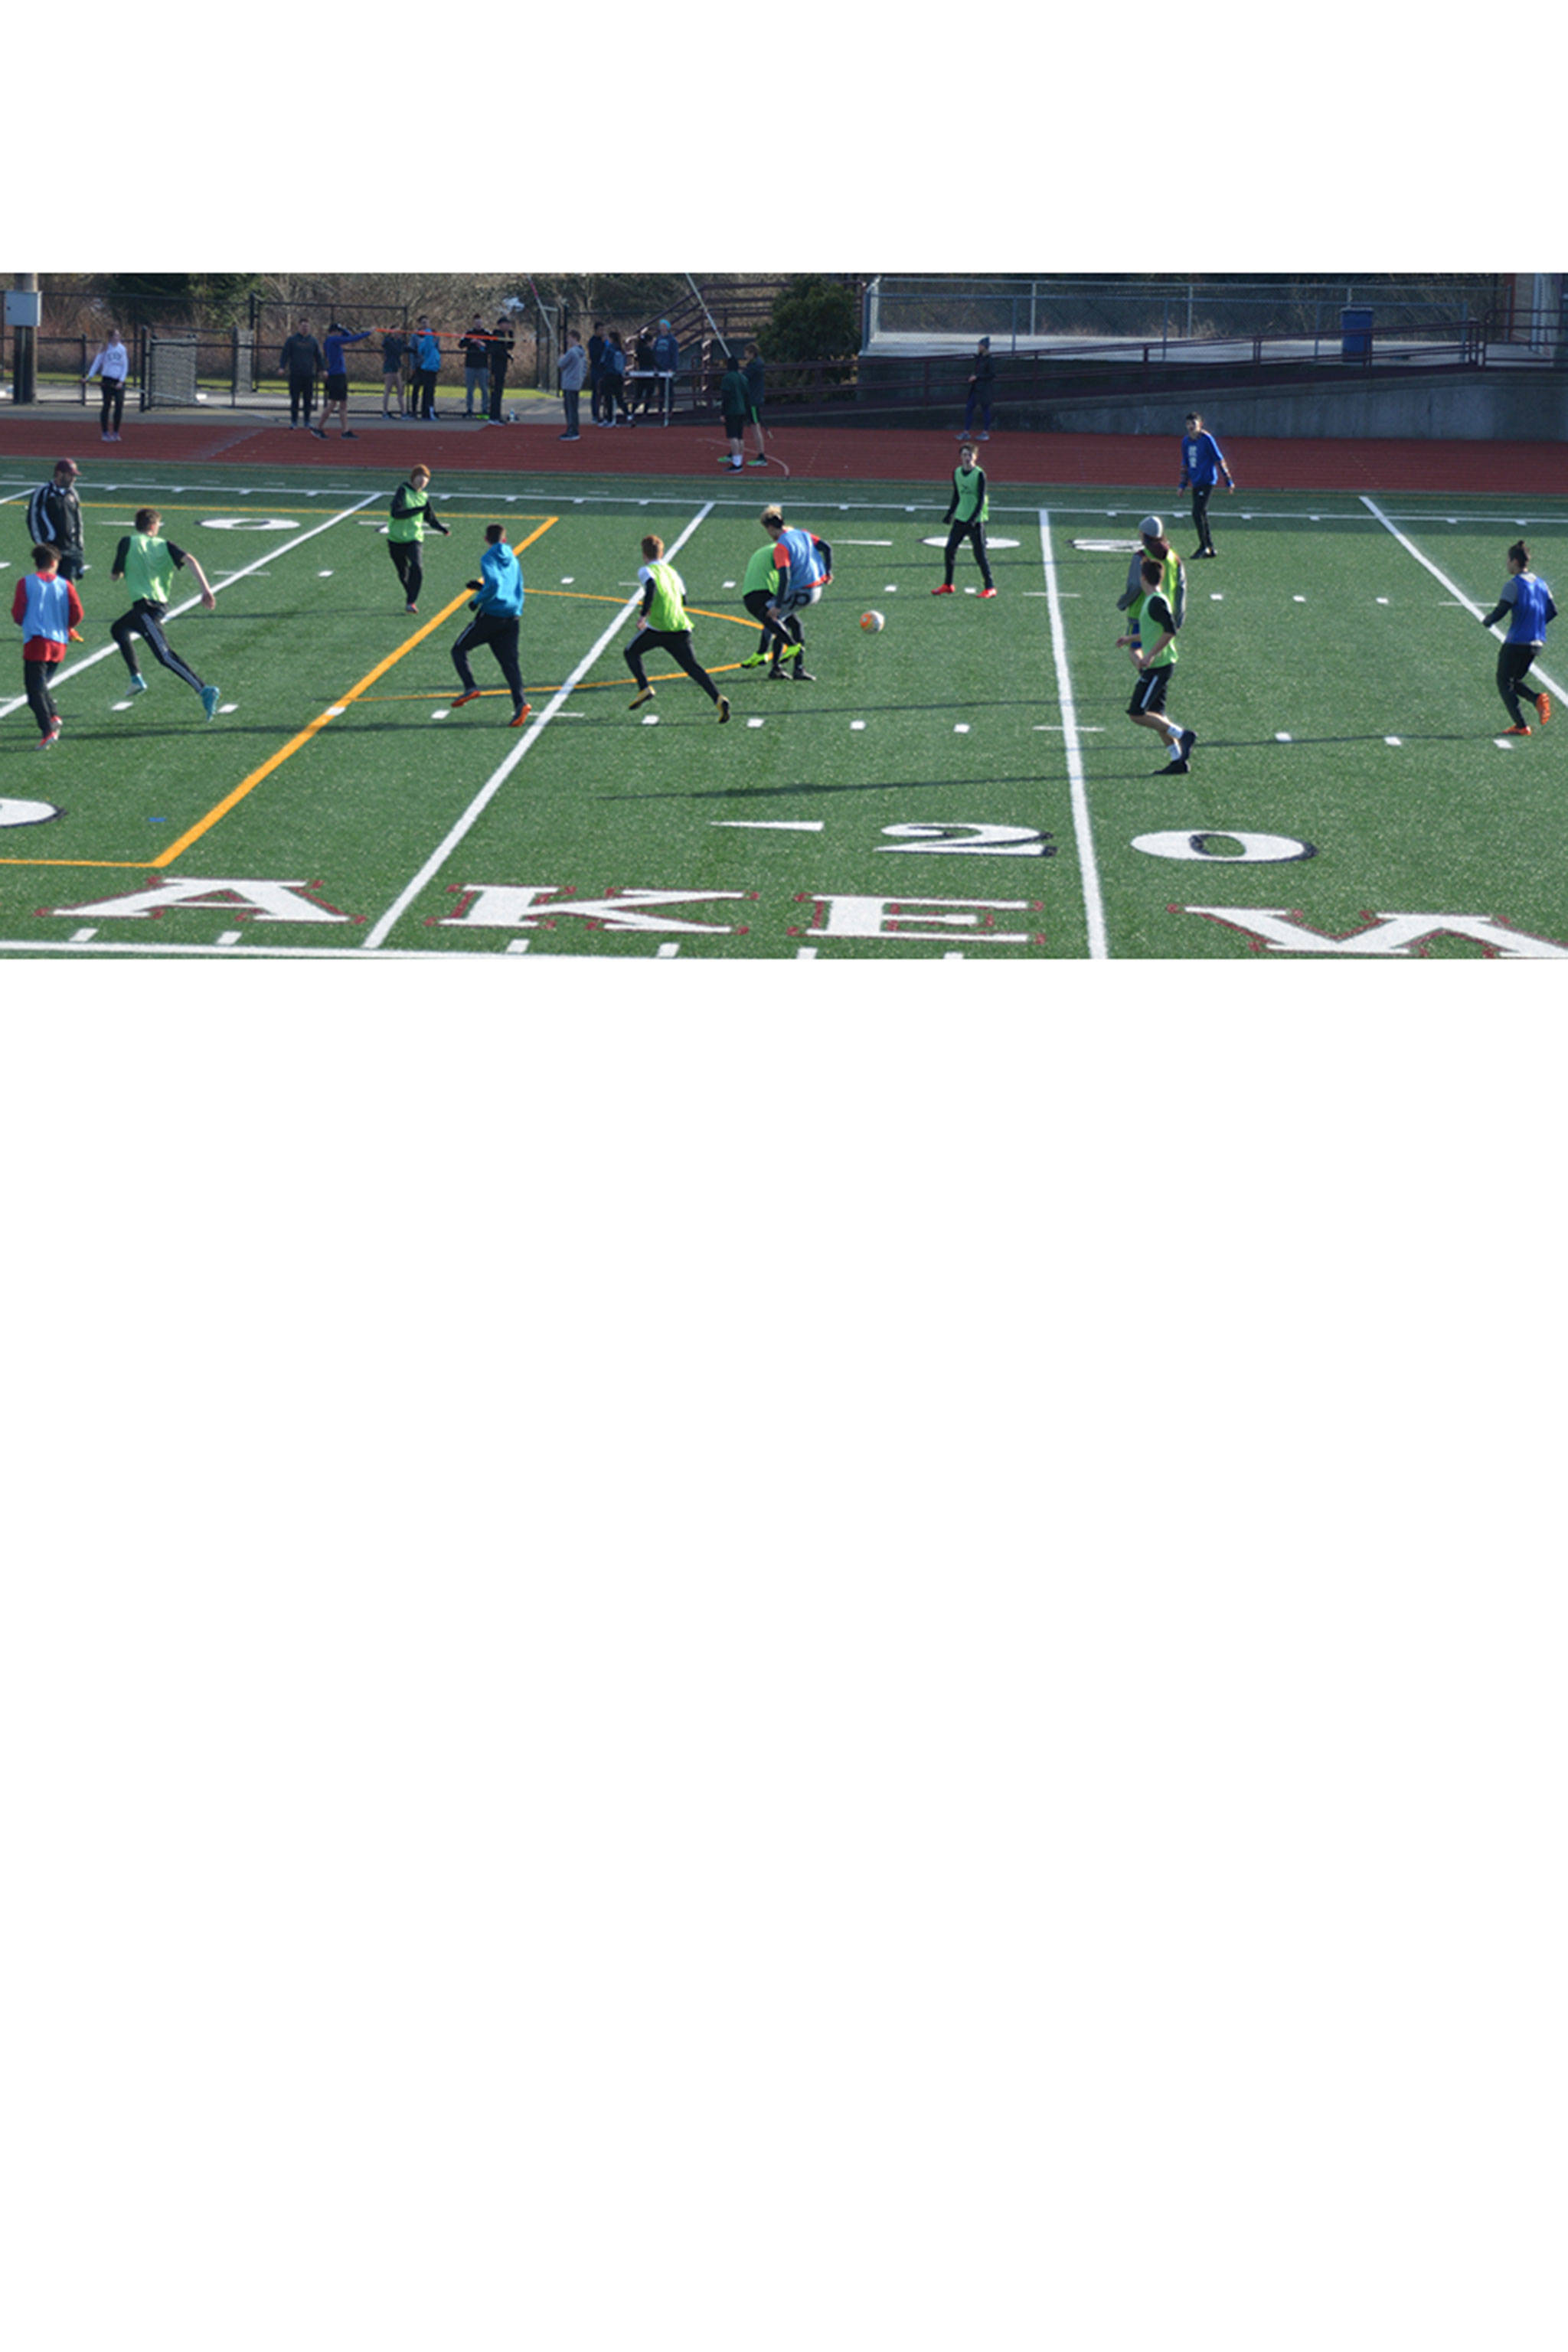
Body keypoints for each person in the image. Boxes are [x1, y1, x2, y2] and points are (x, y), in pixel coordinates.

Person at [108, 506, 221, 720]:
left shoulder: (127, 542)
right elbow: (191, 560)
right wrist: (206, 590)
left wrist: (126, 570)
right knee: (118, 628)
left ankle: (203, 689)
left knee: (165, 655)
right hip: (154, 606)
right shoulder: (165, 545)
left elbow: (115, 576)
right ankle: (136, 678)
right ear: (153, 526)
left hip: (146, 609)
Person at [624, 534, 730, 720]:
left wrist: (643, 615)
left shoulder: (646, 570)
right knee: (693, 667)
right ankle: (718, 698)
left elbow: (651, 587)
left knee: (631, 652)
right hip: (680, 626)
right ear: (662, 552)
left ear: (644, 554)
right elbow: (683, 599)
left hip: (659, 627)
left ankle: (644, 688)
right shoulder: (672, 572)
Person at [1116, 555, 1194, 773]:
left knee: (1137, 713)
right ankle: (1177, 760)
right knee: (1156, 714)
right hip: (1158, 664)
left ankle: (1183, 735)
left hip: (1159, 666)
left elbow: (1170, 631)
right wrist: (1130, 639)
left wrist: (1149, 655)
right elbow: (1154, 631)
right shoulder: (1153, 601)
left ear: (1143, 578)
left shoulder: (1156, 602)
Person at [450, 523, 532, 727]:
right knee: (510, 664)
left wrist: (477, 600)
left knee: (459, 649)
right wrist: (481, 587)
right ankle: (521, 703)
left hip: (492, 616)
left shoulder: (488, 558)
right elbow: (512, 585)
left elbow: (495, 584)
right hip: (512, 616)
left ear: (486, 540)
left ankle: (470, 687)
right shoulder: (513, 557)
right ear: (505, 539)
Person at [1480, 540, 1557, 734]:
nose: (1506, 564)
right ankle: (1536, 699)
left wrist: (1488, 620)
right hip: (1536, 643)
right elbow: (1552, 611)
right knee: (1513, 681)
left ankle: (1522, 725)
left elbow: (1502, 609)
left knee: (1503, 681)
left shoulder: (1513, 585)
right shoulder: (1541, 584)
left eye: (1508, 560)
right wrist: (1536, 625)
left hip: (1516, 642)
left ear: (1515, 561)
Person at [11, 542, 83, 747]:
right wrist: (66, 626)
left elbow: (18, 613)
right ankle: (53, 715)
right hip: (59, 644)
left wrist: (25, 622)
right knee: (41, 686)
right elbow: (77, 613)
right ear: (54, 562)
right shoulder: (65, 585)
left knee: (34, 692)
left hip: (37, 642)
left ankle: (48, 729)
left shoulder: (25, 583)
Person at [760, 504, 832, 681]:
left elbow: (785, 577)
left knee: (774, 620)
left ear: (771, 527)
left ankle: (768, 660)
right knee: (794, 624)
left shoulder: (781, 547)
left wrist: (778, 605)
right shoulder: (803, 534)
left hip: (802, 592)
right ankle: (796, 668)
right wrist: (828, 571)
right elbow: (827, 548)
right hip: (816, 589)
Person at [933, 441, 995, 596]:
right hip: (960, 518)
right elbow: (957, 495)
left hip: (975, 521)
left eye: (970, 455)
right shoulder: (957, 473)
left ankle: (990, 587)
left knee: (980, 555)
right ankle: (948, 584)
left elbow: (981, 500)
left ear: (975, 457)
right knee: (949, 550)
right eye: (964, 455)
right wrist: (950, 513)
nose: (967, 458)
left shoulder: (979, 474)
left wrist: (974, 518)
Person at [387, 463, 451, 614]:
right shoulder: (403, 491)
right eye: (420, 478)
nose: (422, 482)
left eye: (426, 479)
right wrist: (418, 510)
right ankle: (410, 595)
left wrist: (441, 529)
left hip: (414, 538)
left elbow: (430, 517)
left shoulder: (424, 496)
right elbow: (396, 513)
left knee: (417, 566)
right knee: (403, 574)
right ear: (413, 478)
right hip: (395, 539)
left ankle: (411, 602)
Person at [1116, 514, 1186, 645]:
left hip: (1140, 613)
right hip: (1165, 614)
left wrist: (1123, 602)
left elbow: (1135, 586)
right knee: (1157, 651)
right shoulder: (1174, 558)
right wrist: (1179, 616)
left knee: (1135, 650)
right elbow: (1181, 588)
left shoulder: (1140, 557)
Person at [1178, 412, 1235, 558]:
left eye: (1194, 423)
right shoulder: (1186, 442)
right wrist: (1183, 484)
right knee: (1202, 513)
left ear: (1200, 424)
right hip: (1196, 481)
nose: (1191, 427)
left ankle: (1203, 546)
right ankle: (1210, 547)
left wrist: (1228, 479)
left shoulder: (1207, 439)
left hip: (1207, 481)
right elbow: (1185, 463)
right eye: (1188, 424)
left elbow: (1219, 459)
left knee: (1197, 512)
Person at [739, 529, 792, 670]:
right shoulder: (781, 551)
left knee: (774, 623)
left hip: (750, 595)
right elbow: (786, 576)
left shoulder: (766, 550)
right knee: (786, 624)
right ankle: (789, 652)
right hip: (764, 592)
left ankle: (764, 656)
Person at [25, 459, 85, 585]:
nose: (73, 479)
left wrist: (79, 548)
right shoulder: (43, 493)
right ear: (59, 474)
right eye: (70, 475)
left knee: (68, 587)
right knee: (48, 586)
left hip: (69, 548)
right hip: (50, 549)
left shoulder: (73, 493)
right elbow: (33, 519)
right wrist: (42, 545)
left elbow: (78, 522)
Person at [311, 322, 372, 439]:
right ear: (334, 332)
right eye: (338, 331)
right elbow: (351, 339)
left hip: (339, 375)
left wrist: (343, 328)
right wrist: (368, 333)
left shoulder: (333, 340)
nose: (340, 334)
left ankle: (345, 430)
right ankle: (318, 428)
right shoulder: (332, 340)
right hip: (336, 375)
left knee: (343, 404)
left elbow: (348, 336)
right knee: (333, 403)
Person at [85, 325, 129, 441]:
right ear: (111, 337)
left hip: (118, 381)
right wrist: (89, 377)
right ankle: (105, 433)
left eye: (119, 335)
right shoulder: (105, 348)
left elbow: (125, 366)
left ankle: (116, 432)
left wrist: (121, 381)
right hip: (107, 380)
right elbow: (97, 363)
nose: (118, 337)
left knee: (119, 406)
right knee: (107, 405)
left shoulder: (122, 349)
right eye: (116, 335)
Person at [279, 319, 324, 429]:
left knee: (308, 399)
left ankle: (307, 421)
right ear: (299, 327)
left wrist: (322, 369)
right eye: (303, 326)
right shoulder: (292, 340)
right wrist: (282, 367)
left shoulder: (313, 341)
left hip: (308, 374)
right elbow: (285, 354)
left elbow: (318, 357)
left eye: (307, 326)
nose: (305, 328)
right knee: (295, 399)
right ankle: (294, 421)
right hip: (295, 374)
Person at [719, 349, 749, 470]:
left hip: (732, 410)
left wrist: (723, 413)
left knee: (733, 436)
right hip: (742, 409)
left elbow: (725, 397)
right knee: (740, 436)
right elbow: (747, 395)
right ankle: (739, 459)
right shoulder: (743, 378)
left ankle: (737, 463)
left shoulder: (727, 378)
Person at [410, 317, 443, 420]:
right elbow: (413, 351)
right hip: (419, 366)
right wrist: (413, 366)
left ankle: (428, 411)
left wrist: (438, 364)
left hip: (430, 367)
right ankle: (414, 411)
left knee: (429, 390)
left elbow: (437, 350)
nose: (425, 325)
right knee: (416, 388)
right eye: (423, 323)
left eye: (427, 323)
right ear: (420, 324)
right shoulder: (415, 336)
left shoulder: (434, 335)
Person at [963, 336, 995, 439]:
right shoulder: (979, 359)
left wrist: (978, 377)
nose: (979, 347)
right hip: (976, 388)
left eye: (980, 345)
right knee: (969, 408)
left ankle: (985, 432)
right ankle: (966, 432)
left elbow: (992, 374)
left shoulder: (989, 359)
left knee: (985, 409)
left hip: (984, 389)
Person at [743, 341, 768, 465]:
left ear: (752, 354)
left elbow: (744, 378)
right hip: (753, 399)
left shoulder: (754, 366)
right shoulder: (756, 364)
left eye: (746, 353)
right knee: (753, 426)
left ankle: (761, 456)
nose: (745, 355)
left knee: (755, 427)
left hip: (753, 401)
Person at [557, 330, 586, 440]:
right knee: (574, 408)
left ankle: (572, 431)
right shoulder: (582, 352)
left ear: (574, 338)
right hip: (576, 383)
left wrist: (561, 357)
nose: (567, 340)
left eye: (569, 338)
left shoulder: (572, 352)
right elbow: (584, 368)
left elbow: (561, 364)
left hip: (569, 383)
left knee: (570, 409)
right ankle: (574, 429)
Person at [460, 317, 491, 417]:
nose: (478, 325)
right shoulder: (469, 333)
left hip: (483, 365)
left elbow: (492, 346)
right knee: (470, 389)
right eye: (477, 323)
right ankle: (469, 409)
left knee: (484, 388)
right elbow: (461, 344)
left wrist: (483, 344)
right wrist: (471, 342)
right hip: (470, 365)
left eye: (480, 323)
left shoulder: (487, 334)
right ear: (474, 323)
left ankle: (485, 409)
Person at [485, 315, 514, 423]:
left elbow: (509, 347)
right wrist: (506, 356)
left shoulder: (504, 336)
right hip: (496, 367)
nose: (508, 326)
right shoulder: (497, 335)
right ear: (501, 325)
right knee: (496, 392)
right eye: (506, 324)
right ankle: (494, 417)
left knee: (499, 391)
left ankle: (497, 415)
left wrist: (511, 337)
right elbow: (497, 350)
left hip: (502, 367)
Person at [651, 318, 679, 421]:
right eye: (661, 326)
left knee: (670, 390)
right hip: (659, 368)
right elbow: (654, 353)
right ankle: (660, 409)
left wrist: (673, 367)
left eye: (664, 326)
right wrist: (654, 365)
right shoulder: (657, 340)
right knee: (661, 390)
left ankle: (670, 409)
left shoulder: (672, 340)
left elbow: (675, 355)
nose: (662, 328)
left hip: (668, 368)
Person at [602, 331, 629, 424]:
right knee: (619, 398)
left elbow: (603, 361)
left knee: (608, 398)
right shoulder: (621, 350)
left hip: (609, 375)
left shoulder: (609, 349)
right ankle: (628, 415)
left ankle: (609, 419)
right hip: (619, 376)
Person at [381, 326, 408, 416]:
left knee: (400, 391)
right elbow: (395, 349)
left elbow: (404, 348)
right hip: (389, 368)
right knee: (387, 390)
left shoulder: (399, 342)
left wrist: (416, 350)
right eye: (395, 332)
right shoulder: (388, 341)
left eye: (399, 332)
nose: (397, 334)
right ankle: (385, 412)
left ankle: (403, 412)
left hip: (396, 368)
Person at [587, 320, 608, 425]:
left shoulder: (605, 341)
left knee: (606, 393)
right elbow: (594, 356)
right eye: (600, 330)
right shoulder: (592, 342)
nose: (602, 332)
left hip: (605, 370)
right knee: (596, 392)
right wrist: (603, 345)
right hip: (596, 369)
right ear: (595, 330)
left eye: (603, 330)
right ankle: (595, 414)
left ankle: (605, 414)